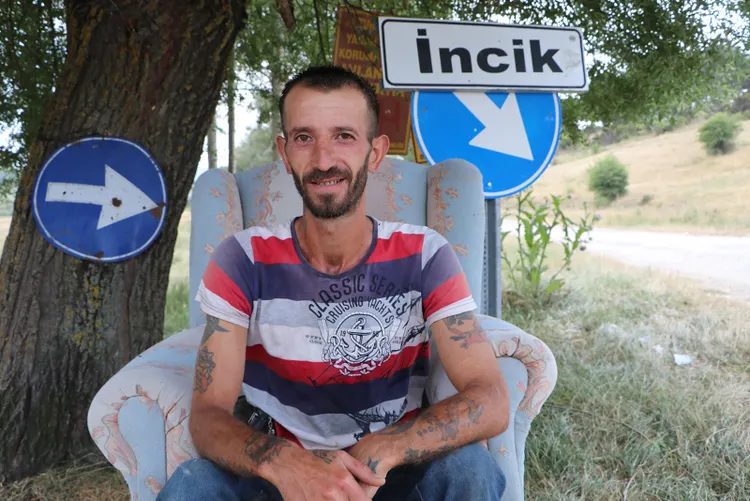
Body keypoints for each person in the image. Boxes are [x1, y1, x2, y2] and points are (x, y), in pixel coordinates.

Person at [157, 65, 510, 501]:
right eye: (304, 138)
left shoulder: (425, 254)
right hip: (279, 473)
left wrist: (387, 448)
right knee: (192, 487)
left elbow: (491, 398)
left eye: (344, 136)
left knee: (471, 469)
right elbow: (207, 415)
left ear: (375, 153)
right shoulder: (242, 259)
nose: (323, 160)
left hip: (391, 472)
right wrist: (284, 463)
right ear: (285, 153)